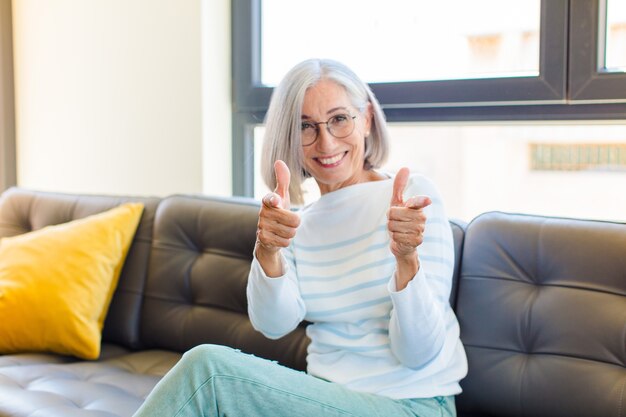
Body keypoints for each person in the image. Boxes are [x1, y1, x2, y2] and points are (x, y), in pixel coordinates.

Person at [133, 59, 467, 417]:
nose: (325, 142)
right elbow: (273, 325)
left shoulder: (412, 200)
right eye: (306, 126)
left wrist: (406, 262)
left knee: (208, 372)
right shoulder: (296, 225)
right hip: (322, 399)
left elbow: (419, 354)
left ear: (367, 119)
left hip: (412, 405)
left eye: (339, 119)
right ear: (289, 137)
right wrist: (268, 252)